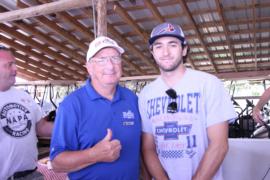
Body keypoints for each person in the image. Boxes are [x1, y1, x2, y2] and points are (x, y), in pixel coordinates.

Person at [138, 22, 237, 180]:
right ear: (152, 52)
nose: (165, 52)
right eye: (158, 46)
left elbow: (219, 145)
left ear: (184, 49)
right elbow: (148, 148)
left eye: (172, 45)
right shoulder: (146, 94)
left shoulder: (208, 84)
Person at [49, 36, 141, 180]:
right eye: (101, 60)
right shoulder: (72, 105)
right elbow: (56, 163)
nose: (110, 66)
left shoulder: (132, 99)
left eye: (115, 58)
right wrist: (95, 155)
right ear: (89, 67)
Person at [0, 46, 54, 180]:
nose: (16, 69)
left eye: (15, 64)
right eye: (10, 65)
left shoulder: (24, 97)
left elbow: (41, 127)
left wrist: (73, 125)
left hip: (32, 174)